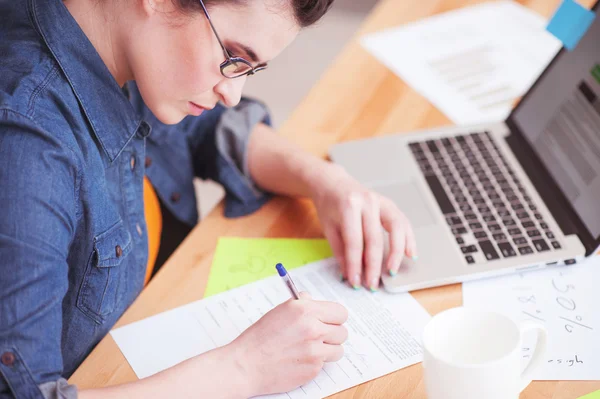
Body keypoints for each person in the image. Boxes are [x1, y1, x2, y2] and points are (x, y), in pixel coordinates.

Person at [0, 0, 417, 397]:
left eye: (249, 71)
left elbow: (202, 130)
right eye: (232, 57)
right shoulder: (28, 148)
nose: (231, 94)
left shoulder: (118, 38)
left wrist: (325, 182)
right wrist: (242, 370)